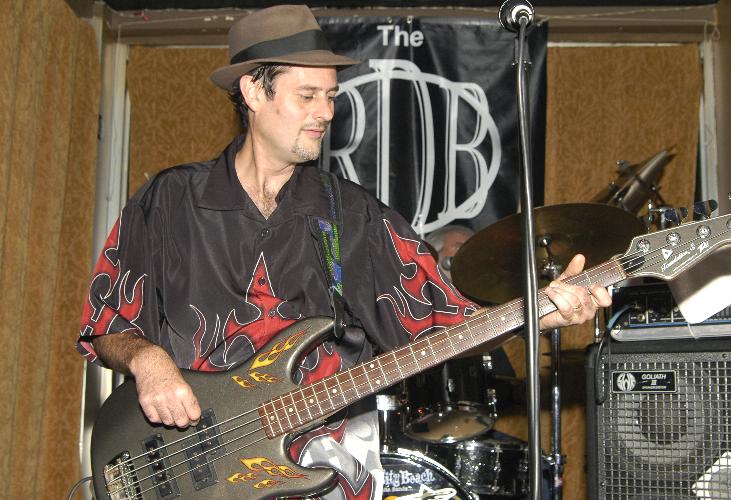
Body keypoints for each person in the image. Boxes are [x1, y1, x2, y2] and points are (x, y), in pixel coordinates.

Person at [76, 5, 611, 499]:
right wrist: (147, 360)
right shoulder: (169, 201)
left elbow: (445, 324)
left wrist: (539, 312)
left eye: (331, 96)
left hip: (318, 471)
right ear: (254, 91)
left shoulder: (353, 216)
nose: (325, 112)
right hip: (182, 468)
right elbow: (106, 325)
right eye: (307, 95)